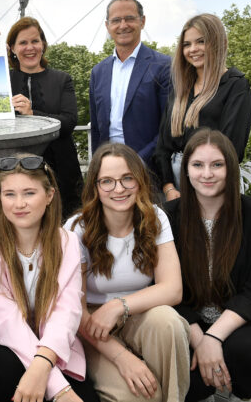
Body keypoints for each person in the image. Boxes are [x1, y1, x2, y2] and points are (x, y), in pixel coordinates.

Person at [164, 129, 251, 401]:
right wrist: (200, 339)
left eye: (217, 165)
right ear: (186, 170)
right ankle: (207, 386)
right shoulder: (168, 218)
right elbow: (163, 287)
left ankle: (234, 386)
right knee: (175, 359)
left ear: (230, 169)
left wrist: (215, 339)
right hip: (188, 321)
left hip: (240, 319)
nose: (207, 174)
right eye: (197, 165)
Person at [0, 153, 99, 402]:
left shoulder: (67, 243)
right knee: (9, 372)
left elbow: (66, 312)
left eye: (29, 193)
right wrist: (60, 390)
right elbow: (6, 324)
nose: (19, 203)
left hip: (51, 346)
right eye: (9, 194)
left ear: (49, 196)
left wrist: (43, 366)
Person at [64, 143, 190, 402]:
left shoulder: (154, 217)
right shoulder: (77, 229)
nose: (118, 189)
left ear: (139, 181)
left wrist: (117, 306)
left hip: (139, 314)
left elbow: (172, 289)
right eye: (107, 181)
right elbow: (75, 311)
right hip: (90, 327)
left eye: (126, 179)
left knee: (168, 321)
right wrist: (122, 358)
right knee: (143, 396)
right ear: (95, 188)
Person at [154, 13, 251, 201]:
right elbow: (162, 146)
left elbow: (232, 149)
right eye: (187, 44)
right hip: (175, 186)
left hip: (214, 184)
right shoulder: (180, 89)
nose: (193, 49)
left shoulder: (236, 86)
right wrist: (168, 188)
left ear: (219, 42)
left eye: (201, 42)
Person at [8, 17, 83, 218]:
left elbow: (69, 122)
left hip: (62, 172)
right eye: (23, 43)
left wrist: (33, 115)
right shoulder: (3, 82)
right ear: (12, 48)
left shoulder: (62, 79)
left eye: (35, 41)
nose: (30, 48)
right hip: (16, 172)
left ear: (43, 45)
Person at [89, 0, 172, 172]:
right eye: (116, 20)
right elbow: (97, 128)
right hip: (108, 169)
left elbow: (169, 126)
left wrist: (137, 162)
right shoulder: (98, 72)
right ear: (107, 26)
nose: (123, 25)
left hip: (149, 169)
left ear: (142, 21)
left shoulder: (163, 66)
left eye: (130, 18)